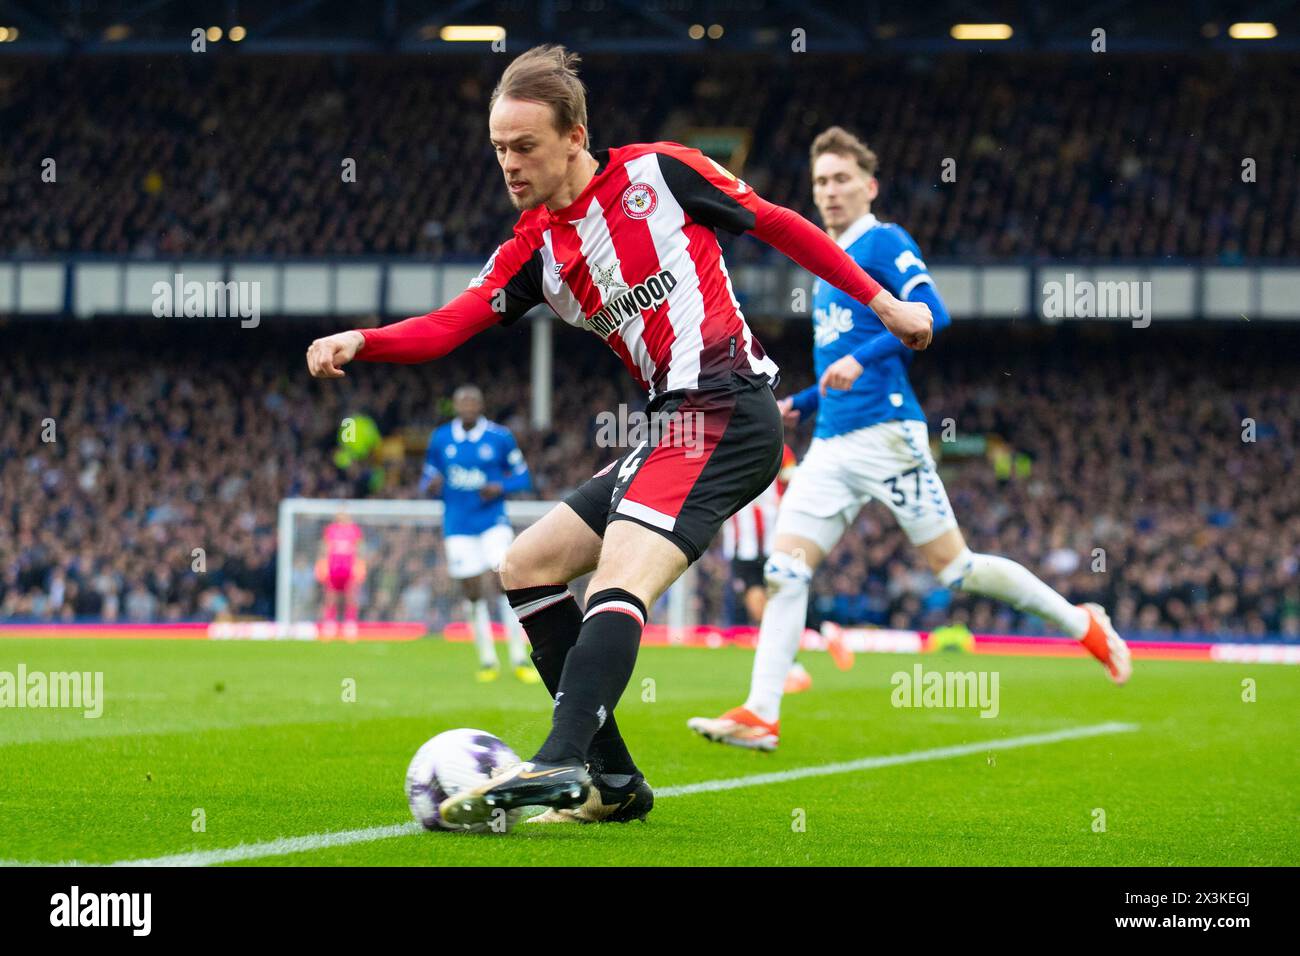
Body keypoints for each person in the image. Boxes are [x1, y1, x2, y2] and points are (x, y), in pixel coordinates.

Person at [306, 49, 932, 824]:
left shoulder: (661, 175)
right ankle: (616, 783)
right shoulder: (532, 250)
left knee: (618, 579)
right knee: (526, 566)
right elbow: (447, 327)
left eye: (525, 146)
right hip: (669, 425)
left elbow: (778, 224)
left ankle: (561, 760)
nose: (509, 163)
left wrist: (882, 301)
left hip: (728, 405)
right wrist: (365, 341)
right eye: (499, 148)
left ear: (575, 136)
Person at [688, 127, 1130, 753]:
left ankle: (1083, 624)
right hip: (833, 443)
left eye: (842, 179)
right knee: (785, 569)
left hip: (889, 436)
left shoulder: (885, 240)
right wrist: (801, 402)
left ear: (869, 186)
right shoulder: (825, 258)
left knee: (956, 569)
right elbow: (840, 368)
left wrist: (864, 360)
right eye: (820, 182)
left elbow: (931, 313)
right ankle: (763, 712)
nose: (830, 191)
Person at [421, 384, 539, 683]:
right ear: (456, 406)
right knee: (471, 591)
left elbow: (524, 477)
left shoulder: (499, 438)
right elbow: (427, 476)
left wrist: (502, 487)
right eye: (463, 401)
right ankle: (487, 660)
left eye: (473, 401)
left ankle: (518, 657)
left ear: (481, 404)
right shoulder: (441, 438)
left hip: (493, 521)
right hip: (458, 525)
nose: (468, 406)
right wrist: (430, 486)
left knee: (505, 583)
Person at [315, 510, 366, 640]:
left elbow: (360, 549)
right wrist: (322, 564)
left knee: (351, 597)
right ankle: (330, 624)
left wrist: (360, 565)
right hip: (333, 568)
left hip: (349, 568)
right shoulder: (331, 530)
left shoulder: (354, 530)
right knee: (331, 596)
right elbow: (325, 547)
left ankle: (350, 624)